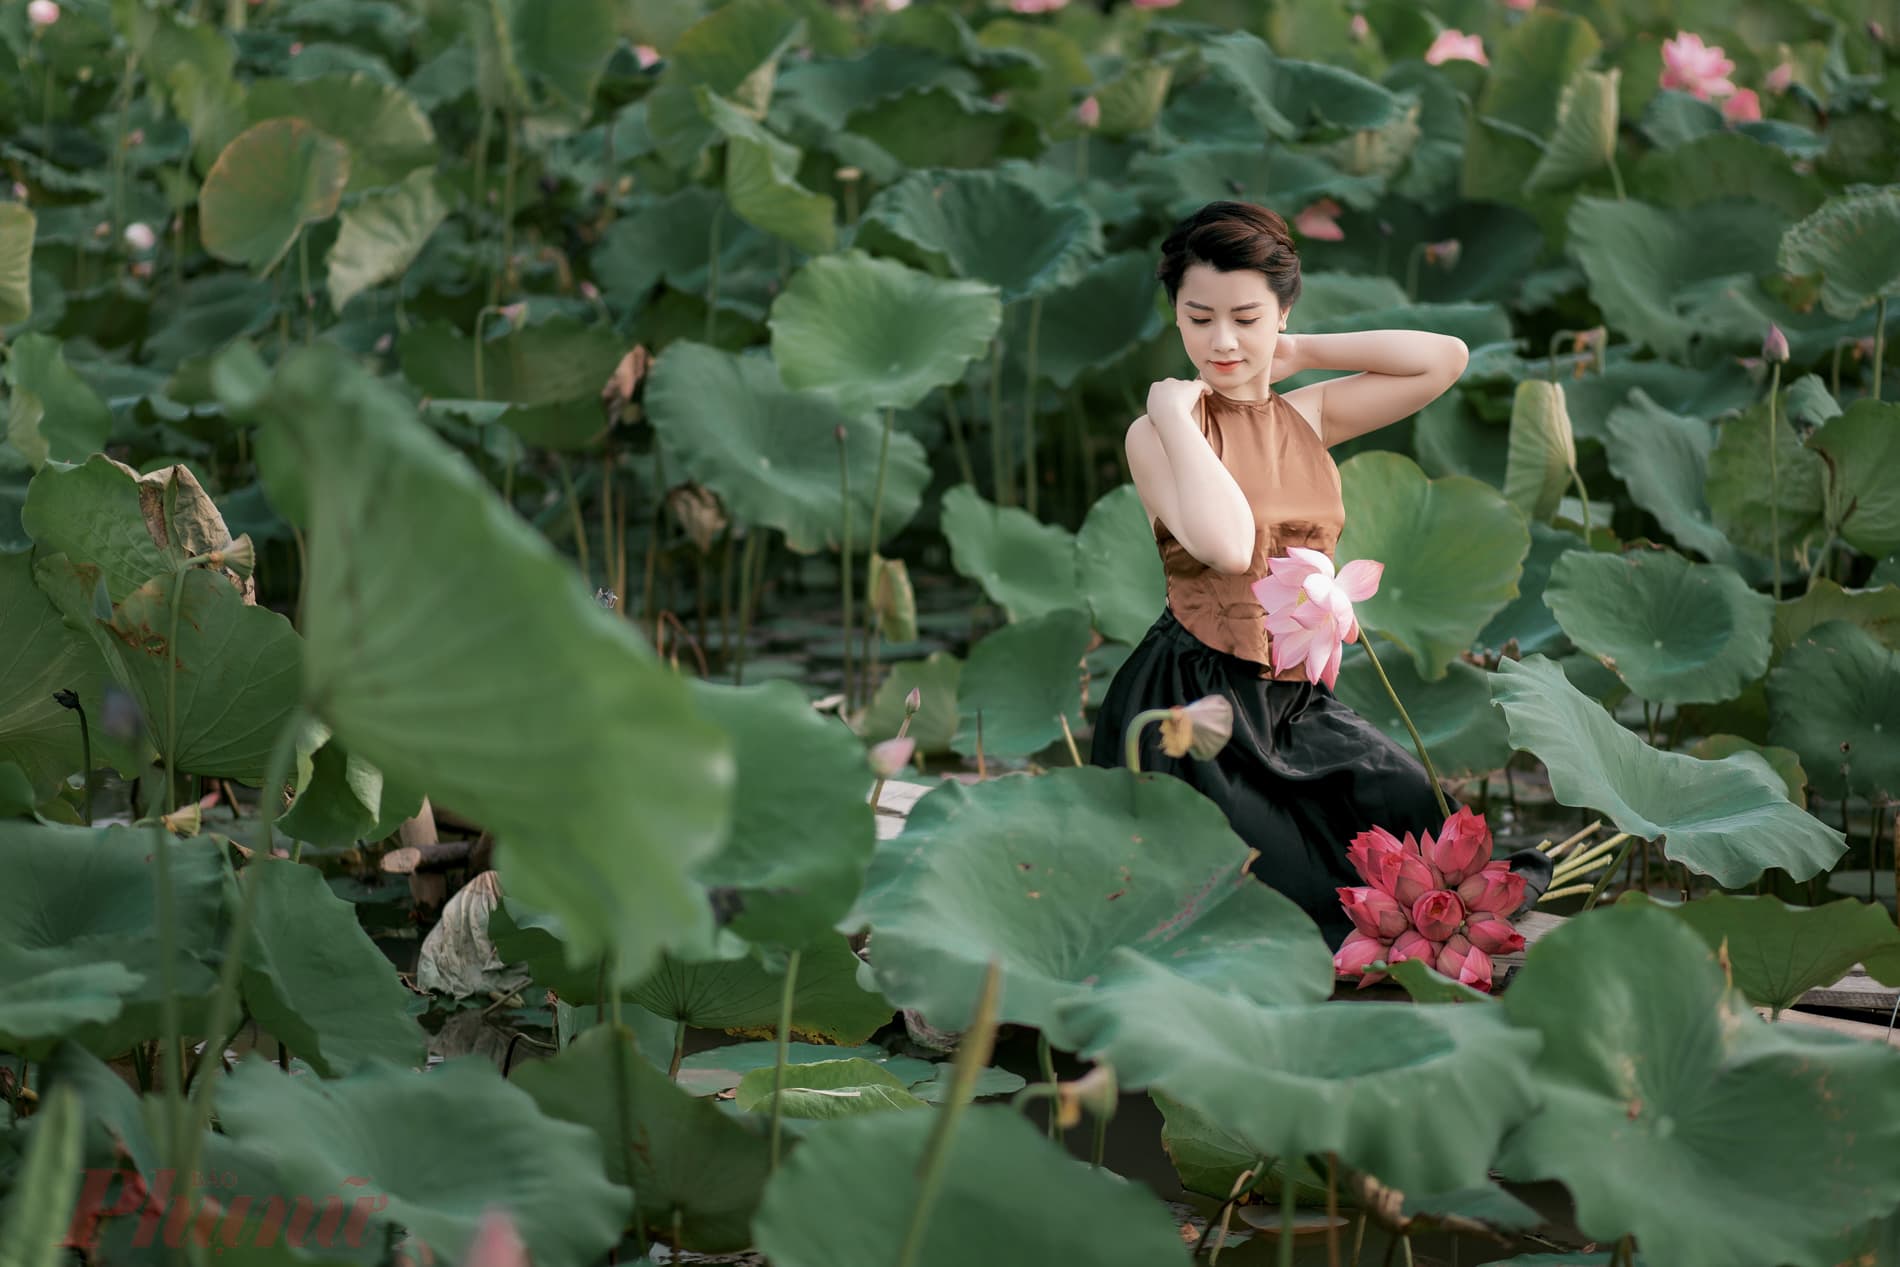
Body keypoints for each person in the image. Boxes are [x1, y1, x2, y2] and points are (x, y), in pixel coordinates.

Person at [1087, 200, 1550, 950]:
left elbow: (1446, 357)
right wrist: (1174, 414)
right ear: (1175, 315)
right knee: (1294, 896)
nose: (1223, 340)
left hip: (1294, 700)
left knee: (1423, 825)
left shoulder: (1307, 414)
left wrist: (1300, 351)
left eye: (1246, 316)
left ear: (1281, 310)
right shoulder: (1157, 436)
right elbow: (1229, 547)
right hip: (1192, 704)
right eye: (1199, 318)